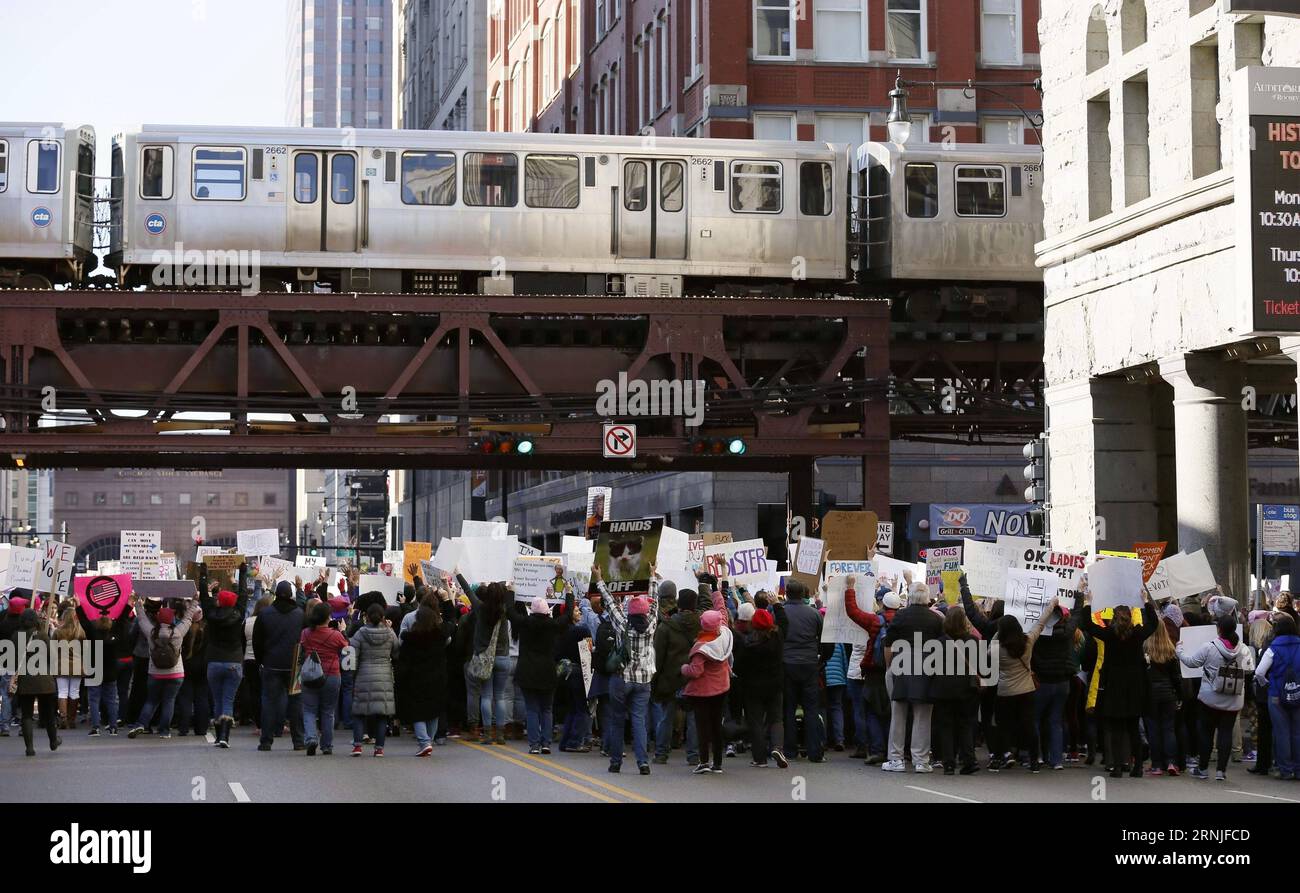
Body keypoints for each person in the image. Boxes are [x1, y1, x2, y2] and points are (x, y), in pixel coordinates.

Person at [964, 578, 1058, 773]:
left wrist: (998, 632)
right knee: (1029, 726)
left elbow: (989, 650)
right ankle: (1034, 761)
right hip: (1026, 691)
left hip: (1005, 692)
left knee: (1001, 726)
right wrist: (1051, 605)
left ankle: (998, 758)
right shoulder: (1028, 642)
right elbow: (1040, 623)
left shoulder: (998, 649)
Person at [595, 564, 662, 775]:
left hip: (621, 678)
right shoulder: (651, 623)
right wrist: (651, 575)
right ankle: (643, 762)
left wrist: (599, 577)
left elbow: (608, 600)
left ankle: (616, 762)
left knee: (617, 720)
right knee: (639, 721)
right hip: (643, 680)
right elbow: (655, 602)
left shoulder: (622, 623)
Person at [1178, 613, 1254, 781]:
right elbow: (1249, 669)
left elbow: (1191, 662)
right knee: (1226, 733)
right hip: (1233, 699)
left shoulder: (1209, 647)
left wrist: (1180, 651)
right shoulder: (1243, 649)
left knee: (1206, 733)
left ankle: (1203, 769)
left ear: (1218, 629)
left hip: (1210, 698)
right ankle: (1221, 771)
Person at [885, 582, 945, 773]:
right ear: (927, 597)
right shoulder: (936, 619)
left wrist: (889, 667)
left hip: (901, 664)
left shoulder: (901, 615)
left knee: (898, 712)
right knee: (923, 715)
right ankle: (921, 760)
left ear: (910, 596)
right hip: (927, 666)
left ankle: (896, 759)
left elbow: (888, 643)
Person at [513, 591, 576, 754]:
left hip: (527, 671)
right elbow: (568, 615)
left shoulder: (525, 623)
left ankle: (534, 744)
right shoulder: (553, 625)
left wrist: (510, 591)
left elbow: (509, 612)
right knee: (547, 709)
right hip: (548, 672)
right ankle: (546, 742)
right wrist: (569, 594)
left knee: (532, 709)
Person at [129, 598, 200, 740]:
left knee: (151, 700)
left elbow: (142, 618)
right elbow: (188, 618)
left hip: (155, 673)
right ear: (172, 618)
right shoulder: (178, 632)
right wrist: (194, 602)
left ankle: (141, 723)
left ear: (158, 618)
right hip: (175, 673)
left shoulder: (151, 632)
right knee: (169, 701)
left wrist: (137, 602)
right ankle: (164, 731)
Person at [681, 594, 733, 775]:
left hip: (702, 693)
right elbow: (722, 611)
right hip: (722, 688)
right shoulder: (725, 635)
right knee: (716, 726)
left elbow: (696, 671)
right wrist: (716, 591)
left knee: (703, 727)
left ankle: (703, 761)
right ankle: (717, 763)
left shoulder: (701, 648)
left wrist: (684, 668)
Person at [252, 580, 306, 751]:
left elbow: (257, 641)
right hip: (294, 665)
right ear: (290, 594)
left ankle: (266, 741)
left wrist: (261, 661)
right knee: (296, 703)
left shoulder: (265, 614)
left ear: (276, 595)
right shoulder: (300, 614)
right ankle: (298, 740)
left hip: (271, 663)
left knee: (269, 702)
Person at [652, 581, 700, 765]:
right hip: (694, 678)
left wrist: (655, 681)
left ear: (679, 605)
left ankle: (661, 753)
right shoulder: (702, 625)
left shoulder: (666, 627)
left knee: (666, 717)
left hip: (670, 679)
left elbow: (658, 658)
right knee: (693, 719)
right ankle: (693, 755)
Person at [201, 568, 249, 748]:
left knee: (217, 698)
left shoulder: (211, 616)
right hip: (234, 662)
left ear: (218, 602)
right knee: (228, 699)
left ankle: (219, 733)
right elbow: (243, 595)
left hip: (214, 661)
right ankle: (224, 737)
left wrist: (203, 572)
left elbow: (205, 600)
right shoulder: (238, 615)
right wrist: (242, 572)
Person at [931, 604, 981, 776]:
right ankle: (969, 760)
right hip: (967, 689)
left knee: (945, 726)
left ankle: (949, 763)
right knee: (966, 725)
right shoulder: (973, 641)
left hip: (943, 689)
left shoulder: (938, 643)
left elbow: (930, 667)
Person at [781, 579, 827, 764]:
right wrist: (821, 660)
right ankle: (815, 752)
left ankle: (790, 750)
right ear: (803, 595)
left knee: (789, 708)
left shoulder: (781, 612)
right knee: (811, 709)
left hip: (787, 663)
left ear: (787, 594)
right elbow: (824, 639)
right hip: (809, 664)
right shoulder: (814, 614)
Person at [463, 579, 513, 746]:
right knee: (500, 697)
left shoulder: (480, 609)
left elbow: (468, 591)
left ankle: (486, 734)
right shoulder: (505, 611)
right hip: (503, 658)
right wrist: (511, 590)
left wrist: (458, 574)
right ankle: (500, 733)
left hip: (485, 658)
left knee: (486, 696)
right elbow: (511, 600)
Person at [397, 603, 451, 756]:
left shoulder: (410, 638)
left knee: (417, 712)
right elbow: (450, 620)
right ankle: (430, 740)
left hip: (416, 678)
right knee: (434, 710)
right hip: (437, 678)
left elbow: (404, 660)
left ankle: (424, 741)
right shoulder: (440, 636)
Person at [733, 604, 783, 768]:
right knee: (775, 718)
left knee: (755, 722)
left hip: (753, 687)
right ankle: (777, 747)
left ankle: (759, 757)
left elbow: (739, 667)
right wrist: (777, 605)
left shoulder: (748, 644)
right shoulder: (777, 638)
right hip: (775, 684)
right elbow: (785, 622)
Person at [350, 602, 400, 757]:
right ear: (383, 617)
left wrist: (353, 674)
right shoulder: (390, 633)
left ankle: (357, 746)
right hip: (384, 675)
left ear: (367, 617)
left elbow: (352, 656)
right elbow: (397, 653)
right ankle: (379, 748)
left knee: (359, 712)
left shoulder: (360, 633)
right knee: (381, 713)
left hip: (363, 674)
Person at [1031, 600, 1077, 771]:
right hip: (1062, 682)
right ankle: (1056, 760)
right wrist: (1078, 595)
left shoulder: (1038, 633)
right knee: (1056, 721)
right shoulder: (1066, 633)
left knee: (1035, 719)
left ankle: (1037, 756)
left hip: (1042, 682)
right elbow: (1077, 615)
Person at [1254, 613, 1300, 779]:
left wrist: (1267, 684)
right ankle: (1298, 768)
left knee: (1281, 733)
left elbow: (1259, 672)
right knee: (1297, 732)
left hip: (1276, 695)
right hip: (1297, 693)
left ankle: (1285, 769)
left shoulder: (1273, 648)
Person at [300, 601, 349, 756]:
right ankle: (327, 745)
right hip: (331, 675)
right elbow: (348, 650)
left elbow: (300, 650)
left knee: (309, 710)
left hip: (310, 674)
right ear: (328, 617)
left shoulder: (306, 633)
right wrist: (343, 631)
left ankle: (311, 738)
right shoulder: (336, 635)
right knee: (328, 711)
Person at [14, 609, 60, 756]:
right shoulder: (42, 635)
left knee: (26, 714)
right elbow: (52, 657)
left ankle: (29, 747)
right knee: (48, 714)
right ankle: (53, 741)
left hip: (25, 680)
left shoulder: (16, 636)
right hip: (44, 680)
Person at [1144, 617, 1183, 776]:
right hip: (1168, 694)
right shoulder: (1170, 649)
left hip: (1151, 694)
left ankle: (1157, 764)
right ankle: (1171, 762)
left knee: (1153, 729)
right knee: (1168, 729)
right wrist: (1179, 695)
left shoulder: (1146, 649)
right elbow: (1176, 677)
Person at [52, 606, 86, 731]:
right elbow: (85, 649)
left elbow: (53, 650)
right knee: (74, 692)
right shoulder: (80, 631)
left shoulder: (58, 632)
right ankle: (72, 720)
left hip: (62, 664)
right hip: (77, 664)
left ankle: (63, 719)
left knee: (62, 692)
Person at [241, 595, 271, 732]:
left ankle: (258, 722)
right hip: (265, 660)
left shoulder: (247, 622)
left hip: (248, 659)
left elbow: (242, 642)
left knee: (254, 692)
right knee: (268, 692)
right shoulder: (270, 621)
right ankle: (270, 721)